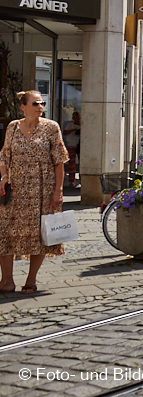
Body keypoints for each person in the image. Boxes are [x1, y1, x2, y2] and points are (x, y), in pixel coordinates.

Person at [0, 91, 69, 294]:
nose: (40, 106)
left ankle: (31, 280)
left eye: (42, 103)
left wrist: (58, 191)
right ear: (23, 106)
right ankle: (7, 281)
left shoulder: (51, 127)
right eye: (35, 103)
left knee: (40, 235)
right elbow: (4, 154)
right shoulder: (13, 127)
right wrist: (4, 177)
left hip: (42, 190)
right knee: (5, 234)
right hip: (13, 191)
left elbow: (59, 161)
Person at [62, 112, 81, 187]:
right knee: (71, 163)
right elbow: (65, 132)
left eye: (78, 118)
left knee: (81, 164)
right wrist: (74, 130)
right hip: (71, 145)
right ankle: (71, 180)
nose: (77, 120)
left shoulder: (83, 125)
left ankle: (81, 179)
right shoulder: (70, 125)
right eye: (75, 118)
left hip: (80, 146)